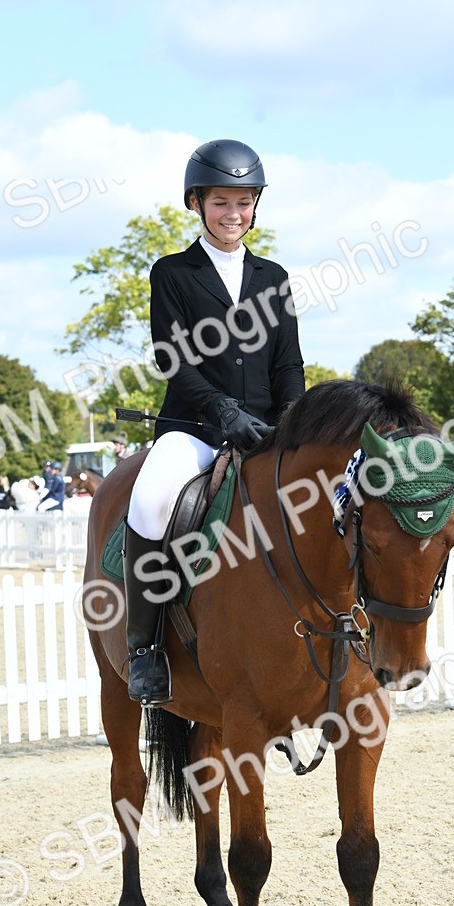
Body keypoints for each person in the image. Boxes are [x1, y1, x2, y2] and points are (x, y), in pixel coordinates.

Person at [123, 138, 305, 706]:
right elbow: (172, 359)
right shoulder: (173, 273)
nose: (234, 214)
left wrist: (293, 423)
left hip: (267, 430)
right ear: (197, 204)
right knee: (150, 500)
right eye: (221, 202)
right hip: (194, 430)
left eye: (244, 202)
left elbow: (288, 362)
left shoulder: (273, 277)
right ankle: (145, 647)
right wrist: (222, 410)